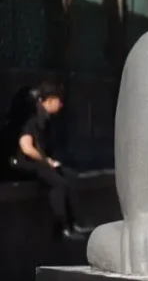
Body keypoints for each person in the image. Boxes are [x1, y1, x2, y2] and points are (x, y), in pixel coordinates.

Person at [6, 82, 89, 239]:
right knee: (58, 182)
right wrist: (47, 161)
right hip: (22, 164)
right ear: (50, 100)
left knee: (69, 176)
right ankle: (61, 227)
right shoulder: (32, 119)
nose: (61, 105)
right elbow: (26, 147)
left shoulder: (45, 119)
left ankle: (74, 223)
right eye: (59, 100)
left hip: (37, 162)